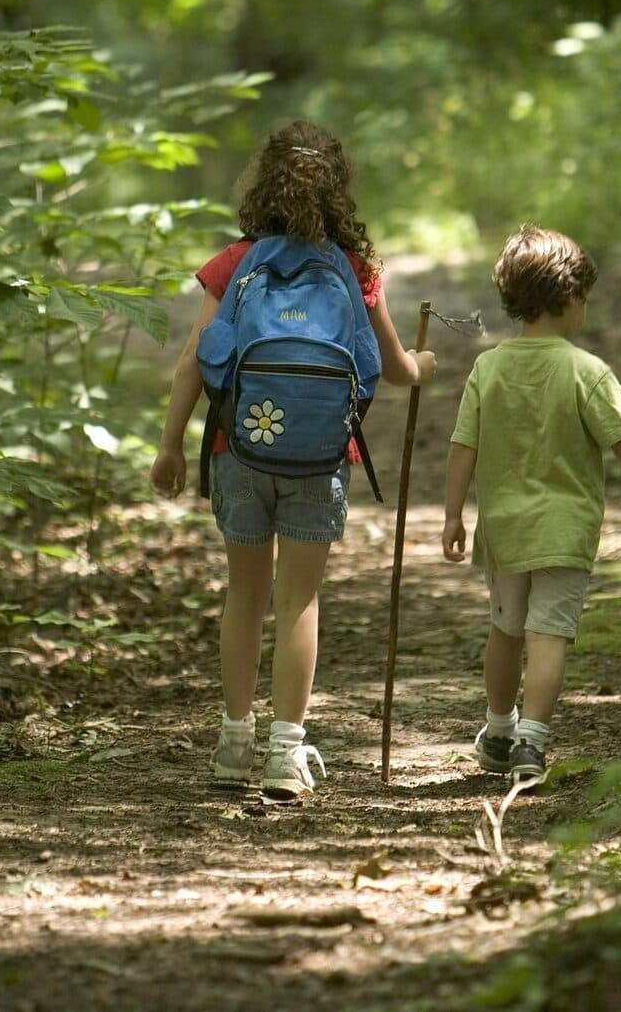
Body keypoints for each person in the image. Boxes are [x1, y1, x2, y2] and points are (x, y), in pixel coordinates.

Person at [151, 120, 437, 800]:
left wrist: (170, 446)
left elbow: (195, 359)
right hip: (318, 459)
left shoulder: (235, 262)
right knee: (299, 598)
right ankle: (286, 753)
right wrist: (422, 363)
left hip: (238, 450)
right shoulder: (356, 268)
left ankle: (232, 742)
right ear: (338, 190)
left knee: (245, 595)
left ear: (263, 184)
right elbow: (396, 370)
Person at [441, 225, 621, 787]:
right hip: (564, 530)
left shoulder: (489, 368)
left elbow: (464, 444)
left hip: (505, 528)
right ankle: (532, 742)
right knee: (549, 635)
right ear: (569, 297)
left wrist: (453, 514)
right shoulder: (586, 371)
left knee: (506, 630)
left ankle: (498, 729)